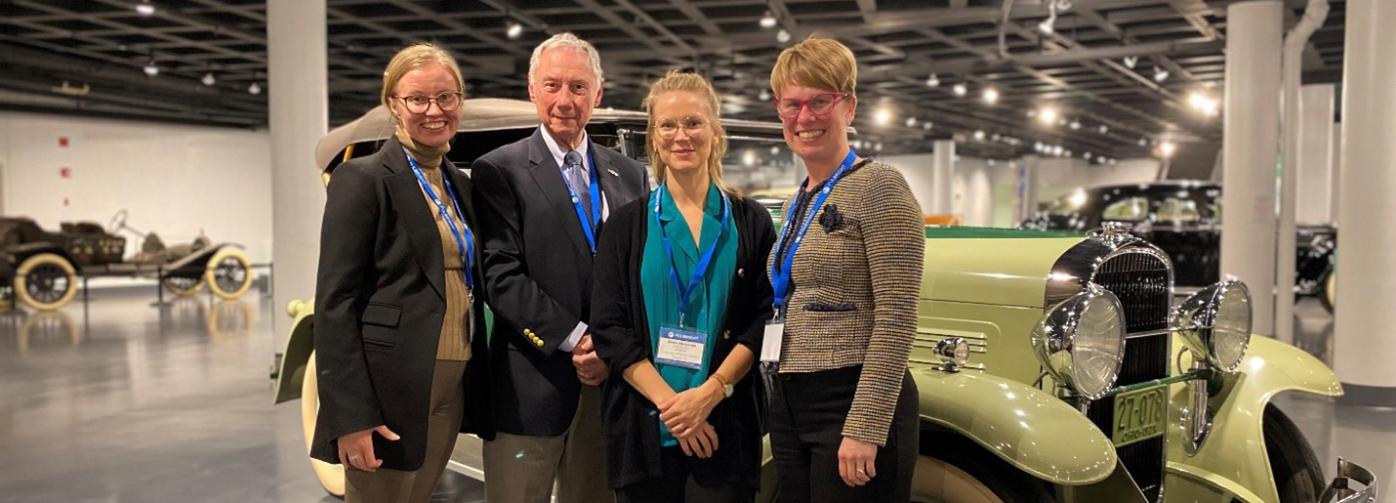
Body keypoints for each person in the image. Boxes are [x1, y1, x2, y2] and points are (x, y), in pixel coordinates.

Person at [310, 42, 493, 503]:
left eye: (446, 97)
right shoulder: (364, 179)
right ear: (394, 104)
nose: (434, 110)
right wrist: (350, 417)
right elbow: (335, 303)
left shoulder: (460, 186)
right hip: (390, 386)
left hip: (454, 380)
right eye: (418, 99)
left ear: (459, 101)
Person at [471, 32, 649, 503]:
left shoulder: (629, 174)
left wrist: (613, 347)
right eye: (552, 86)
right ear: (532, 90)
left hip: (611, 383)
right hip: (531, 385)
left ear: (598, 93)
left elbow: (639, 274)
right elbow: (500, 275)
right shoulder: (499, 171)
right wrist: (577, 338)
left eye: (578, 87)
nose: (565, 101)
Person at [590, 71, 775, 503]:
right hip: (645, 425)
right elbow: (610, 327)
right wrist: (677, 410)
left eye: (693, 123)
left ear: (716, 131)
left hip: (724, 423)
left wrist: (709, 396)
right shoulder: (625, 226)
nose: (681, 136)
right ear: (653, 138)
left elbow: (763, 320)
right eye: (668, 125)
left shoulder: (751, 222)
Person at [762, 36, 924, 502]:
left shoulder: (881, 187)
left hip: (851, 397)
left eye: (820, 101)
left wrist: (866, 425)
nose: (805, 117)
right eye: (792, 104)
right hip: (793, 399)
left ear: (849, 107)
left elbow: (897, 315)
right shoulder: (799, 199)